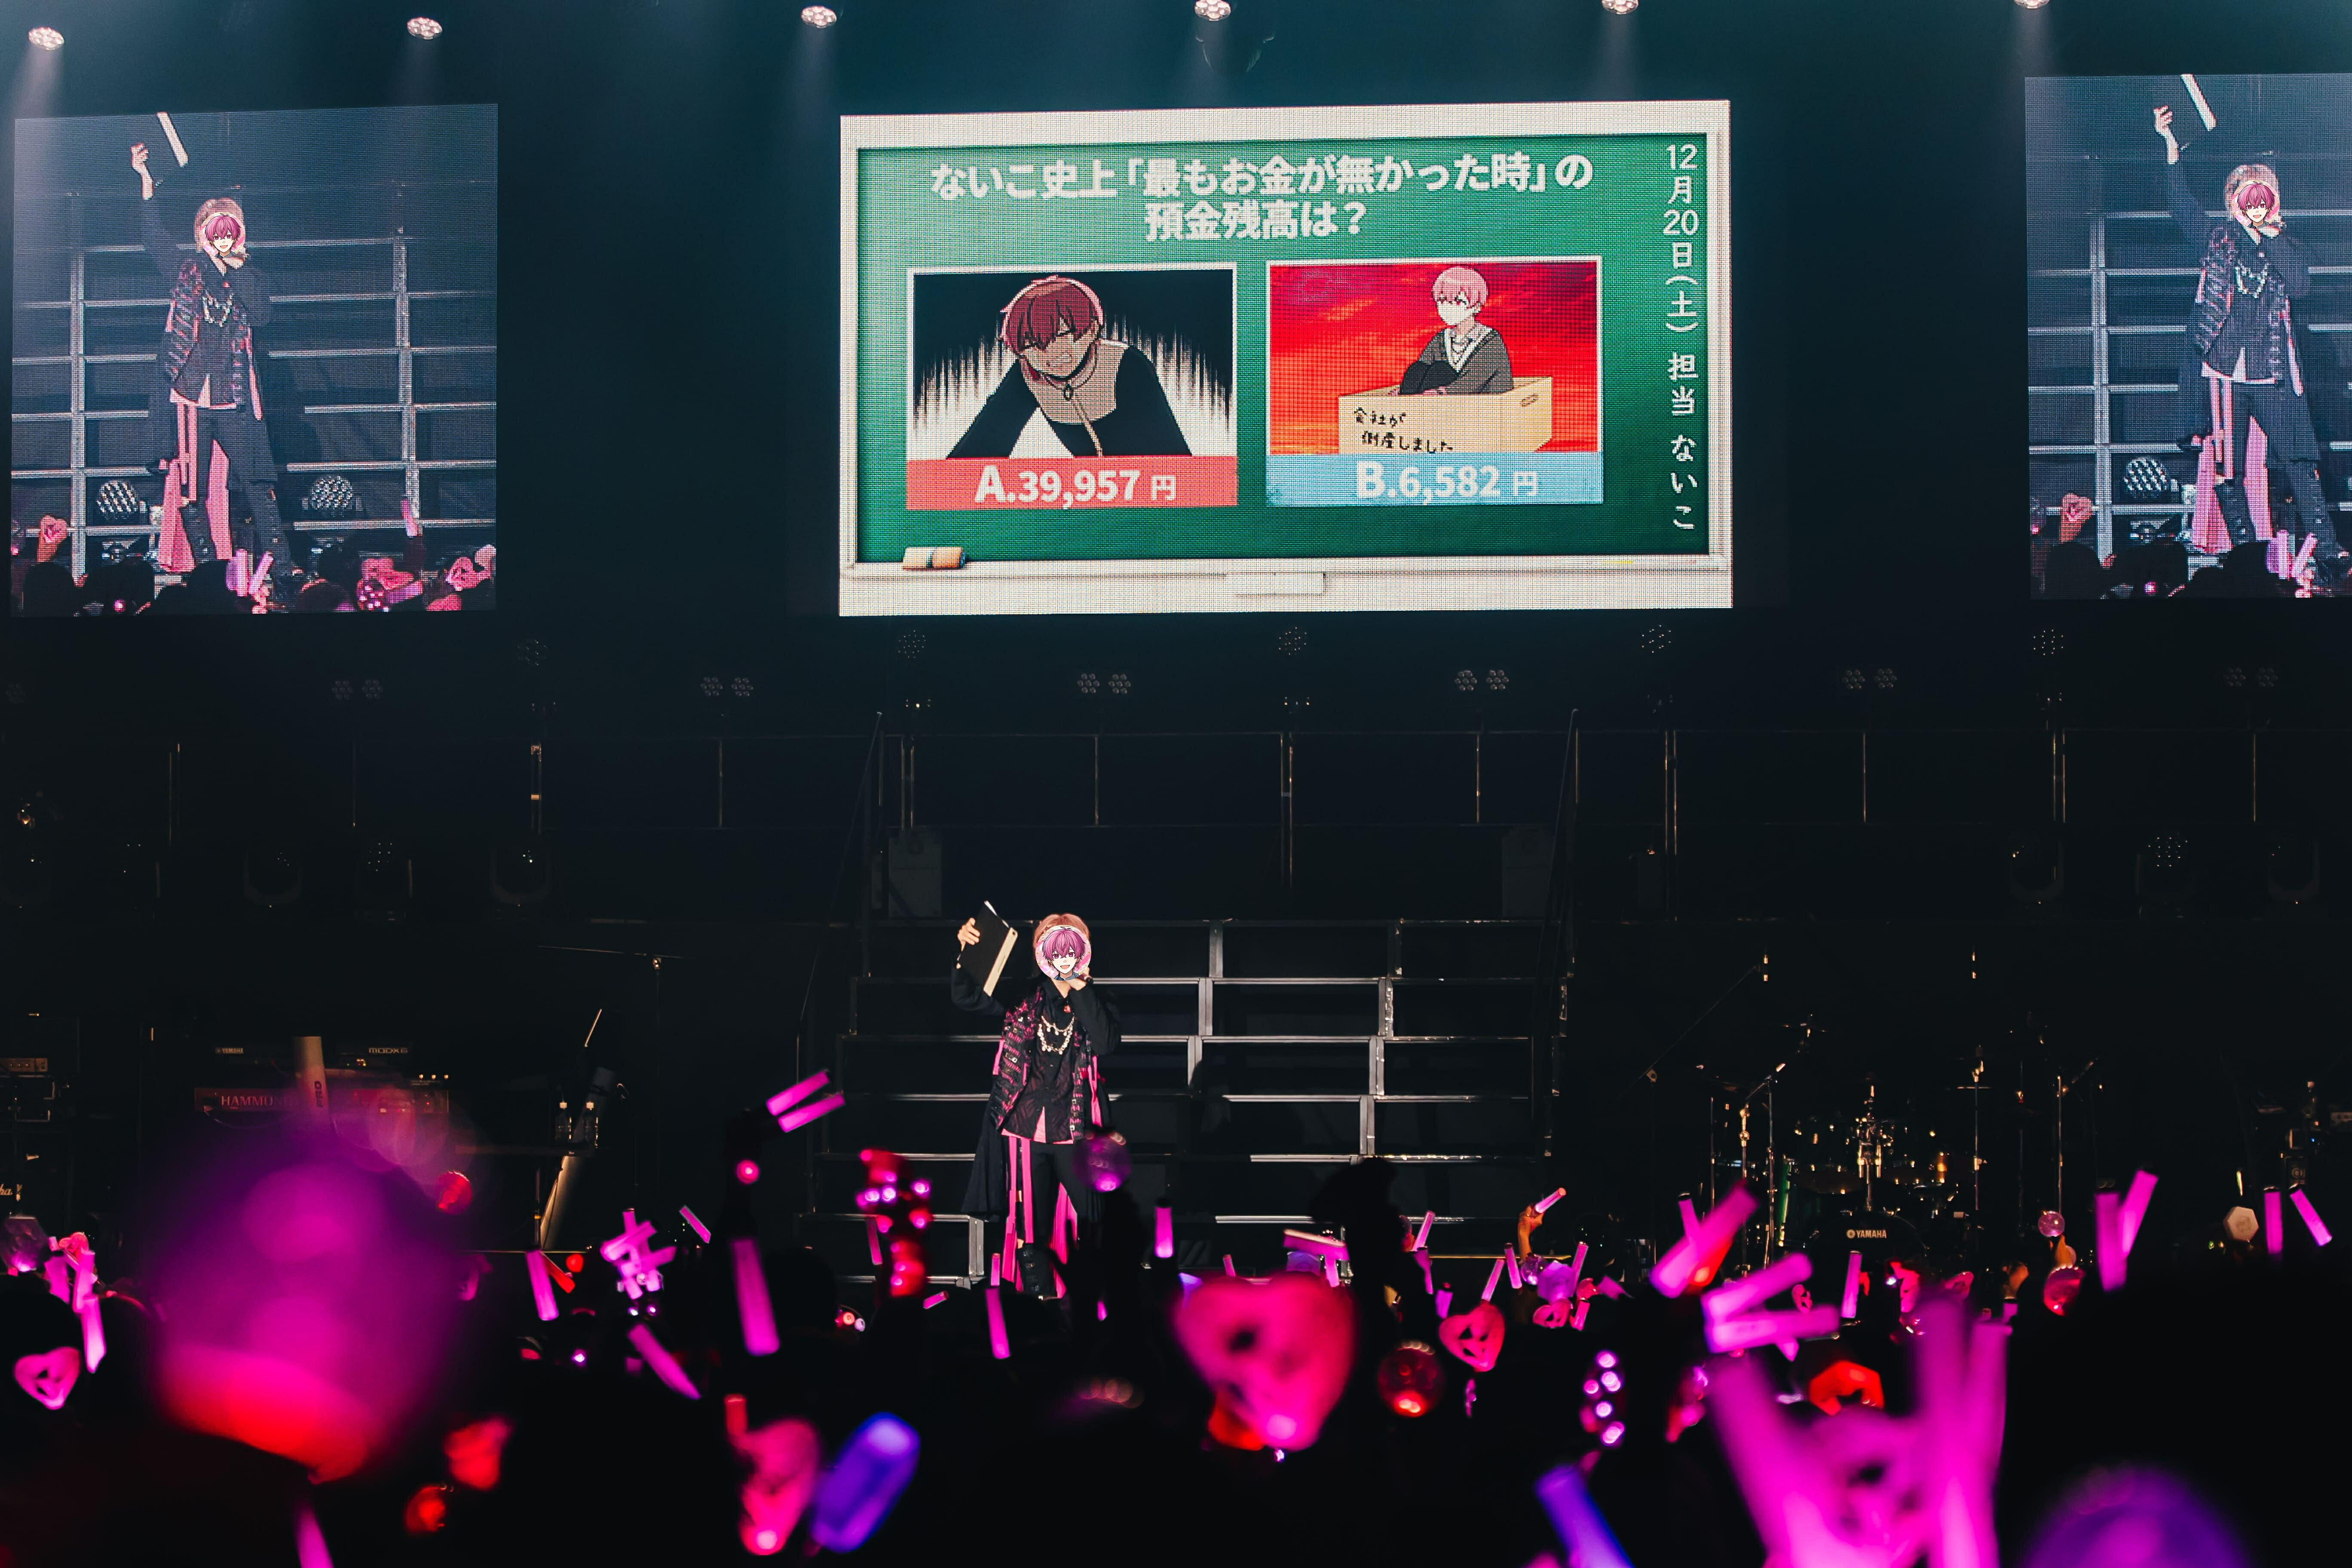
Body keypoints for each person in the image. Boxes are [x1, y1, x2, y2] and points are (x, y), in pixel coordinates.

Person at [2155, 106, 2346, 589]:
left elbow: (2300, 285)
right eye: (2247, 198)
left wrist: (2273, 235)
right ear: (2233, 201)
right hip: (2224, 373)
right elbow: (2181, 205)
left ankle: (2330, 552)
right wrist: (2171, 148)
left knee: (2299, 460)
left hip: (2271, 372)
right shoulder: (2216, 238)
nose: (2255, 208)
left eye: (2263, 198)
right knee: (2228, 468)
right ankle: (2245, 558)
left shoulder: (2284, 246)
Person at [131, 140, 291, 587]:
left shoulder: (249, 277)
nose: (222, 241)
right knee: (191, 489)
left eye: (229, 233)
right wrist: (146, 184)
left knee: (257, 483)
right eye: (215, 233)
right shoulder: (186, 270)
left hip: (233, 398)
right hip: (190, 398)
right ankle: (206, 573)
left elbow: (262, 314)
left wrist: (236, 268)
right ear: (204, 235)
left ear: (238, 235)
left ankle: (284, 570)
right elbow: (153, 238)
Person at [952, 912, 1118, 1295]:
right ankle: (1039, 1306)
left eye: (1069, 944)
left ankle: (1095, 1303)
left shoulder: (1097, 999)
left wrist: (1077, 985)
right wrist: (966, 954)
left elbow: (1107, 1043)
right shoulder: (1021, 995)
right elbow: (965, 996)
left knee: (1095, 1221)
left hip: (1074, 1130)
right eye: (1052, 944)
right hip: (1025, 1129)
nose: (1061, 954)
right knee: (1032, 1229)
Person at [946, 276, 1190, 458]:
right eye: (1033, 344)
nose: (1052, 353)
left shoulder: (1126, 364)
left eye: (1064, 335)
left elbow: (1174, 459)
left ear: (1092, 329)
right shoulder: (1027, 373)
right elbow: (978, 451)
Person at [1398, 265, 1514, 397]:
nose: (1448, 307)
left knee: (1442, 370)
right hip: (1441, 400)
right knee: (1419, 368)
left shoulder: (1491, 340)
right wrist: (1406, 391)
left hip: (1484, 401)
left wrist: (1443, 392)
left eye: (1458, 301)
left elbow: (1476, 379)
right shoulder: (1442, 338)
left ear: (1477, 306)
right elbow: (1422, 366)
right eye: (1442, 300)